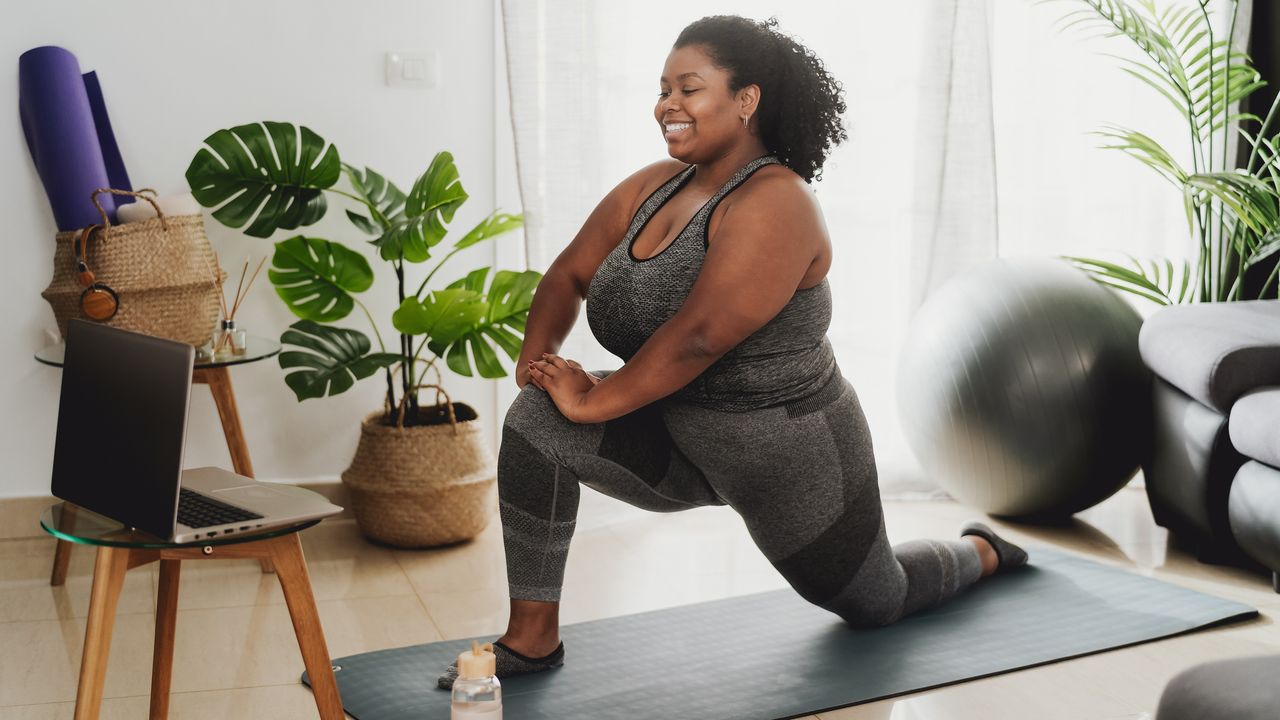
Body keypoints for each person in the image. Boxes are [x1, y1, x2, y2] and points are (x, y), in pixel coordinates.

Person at [438, 14, 1027, 689]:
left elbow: (699, 337)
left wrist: (594, 397)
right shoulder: (649, 186)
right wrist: (539, 363)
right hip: (677, 435)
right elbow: (570, 274)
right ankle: (532, 639)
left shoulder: (778, 203)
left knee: (877, 601)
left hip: (787, 457)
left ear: (746, 101)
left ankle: (981, 551)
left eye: (689, 88)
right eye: (663, 89)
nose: (667, 105)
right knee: (536, 422)